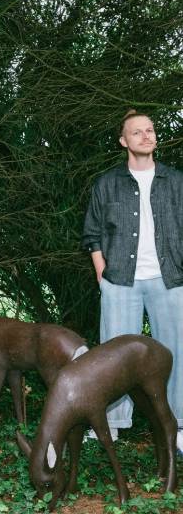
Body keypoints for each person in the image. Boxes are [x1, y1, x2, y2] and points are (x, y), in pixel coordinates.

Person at [83, 110, 183, 450]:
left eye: (150, 130)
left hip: (169, 279)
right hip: (120, 281)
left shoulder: (176, 181)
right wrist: (102, 273)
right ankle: (110, 424)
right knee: (114, 355)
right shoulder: (106, 183)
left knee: (176, 352)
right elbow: (92, 233)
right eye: (137, 132)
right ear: (124, 141)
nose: (146, 136)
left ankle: (178, 424)